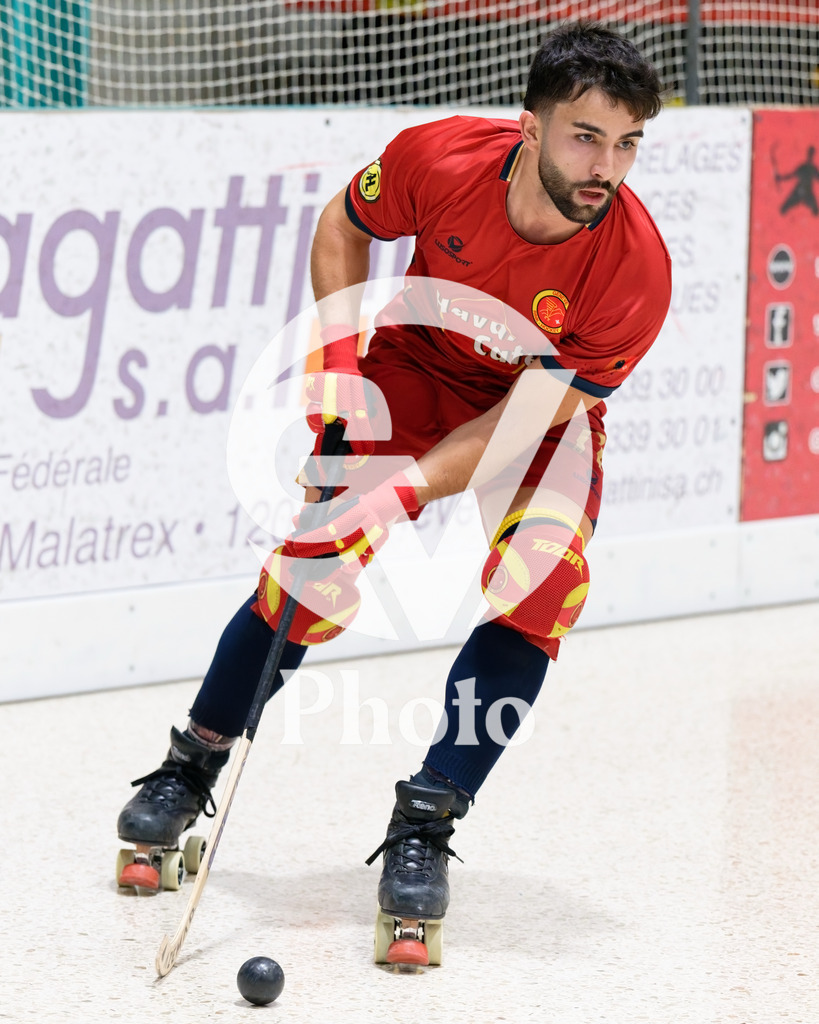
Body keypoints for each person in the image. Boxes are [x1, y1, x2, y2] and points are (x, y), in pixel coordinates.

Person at [116, 22, 671, 965]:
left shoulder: (634, 271)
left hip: (531, 417)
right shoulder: (441, 159)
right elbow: (343, 224)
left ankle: (427, 819)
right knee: (311, 569)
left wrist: (396, 494)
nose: (605, 168)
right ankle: (189, 764)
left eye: (627, 144)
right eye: (585, 137)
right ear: (529, 128)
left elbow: (515, 428)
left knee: (543, 584)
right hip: (414, 368)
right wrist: (338, 369)